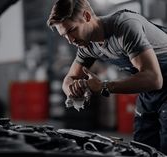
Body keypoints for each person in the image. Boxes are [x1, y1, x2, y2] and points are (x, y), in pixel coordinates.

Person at [47, 0, 167, 154]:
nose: (70, 40)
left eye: (71, 30)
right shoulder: (87, 46)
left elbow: (154, 79)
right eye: (64, 35)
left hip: (156, 81)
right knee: (142, 148)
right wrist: (72, 90)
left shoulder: (124, 26)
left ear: (87, 16)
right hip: (150, 92)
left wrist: (104, 86)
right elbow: (68, 79)